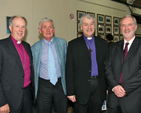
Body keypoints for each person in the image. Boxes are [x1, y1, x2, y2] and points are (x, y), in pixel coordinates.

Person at [65, 14, 108, 113]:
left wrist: (107, 87)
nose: (89, 27)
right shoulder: (73, 45)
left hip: (99, 87)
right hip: (80, 89)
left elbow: (107, 67)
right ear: (81, 27)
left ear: (95, 26)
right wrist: (70, 92)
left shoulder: (103, 43)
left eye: (91, 24)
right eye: (86, 24)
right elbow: (69, 69)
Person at [105, 15, 141, 113]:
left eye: (130, 25)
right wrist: (114, 86)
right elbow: (107, 68)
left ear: (136, 27)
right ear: (120, 28)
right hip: (113, 100)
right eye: (123, 25)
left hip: (133, 100)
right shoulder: (113, 47)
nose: (126, 28)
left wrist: (124, 88)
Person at [31, 17, 67, 113]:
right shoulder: (34, 48)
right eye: (44, 27)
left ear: (54, 29)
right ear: (40, 30)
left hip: (60, 85)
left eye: (50, 27)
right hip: (43, 86)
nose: (48, 30)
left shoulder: (63, 43)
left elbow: (68, 64)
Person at [0, 16, 34, 113]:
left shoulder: (27, 46)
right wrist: (1, 102)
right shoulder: (1, 46)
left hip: (27, 95)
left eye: (23, 27)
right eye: (17, 26)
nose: (20, 30)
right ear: (10, 28)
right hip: (10, 97)